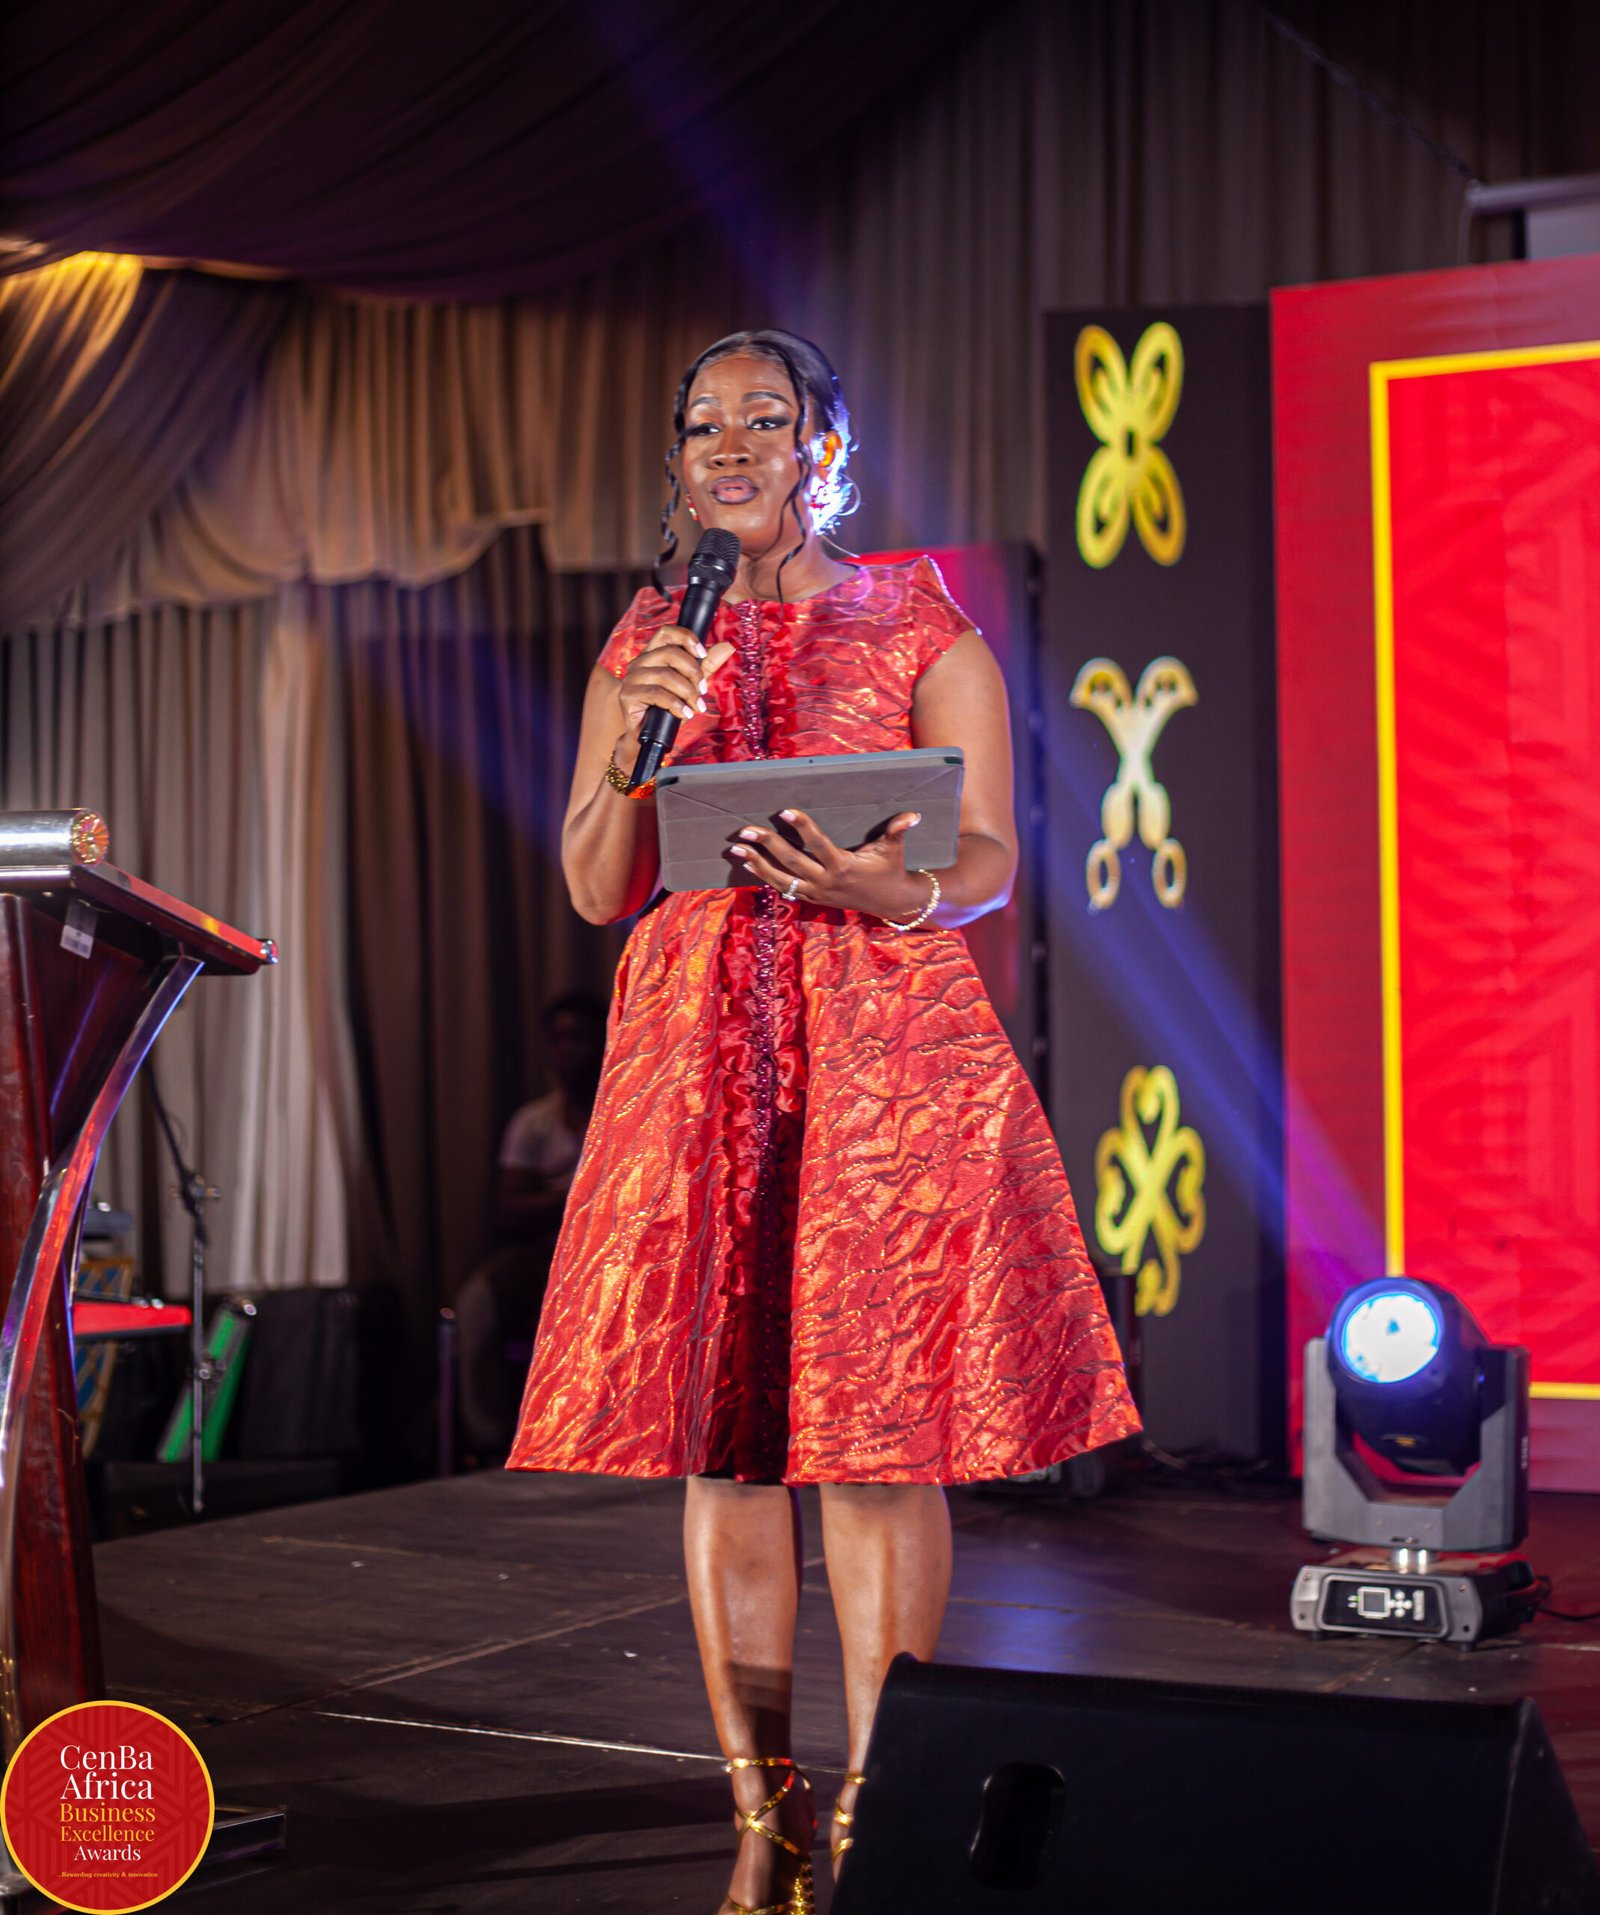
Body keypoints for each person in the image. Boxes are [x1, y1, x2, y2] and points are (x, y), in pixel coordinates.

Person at [508, 329, 1139, 1915]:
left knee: (877, 1431)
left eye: (764, 418)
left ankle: (884, 1793)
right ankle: (763, 1809)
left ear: (825, 447)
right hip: (698, 1049)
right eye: (702, 424)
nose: (730, 444)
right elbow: (594, 881)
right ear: (677, 461)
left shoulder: (921, 616)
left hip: (880, 1047)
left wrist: (888, 884)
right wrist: (638, 739)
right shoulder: (647, 640)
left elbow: (987, 852)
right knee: (722, 1442)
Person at [454, 992, 606, 1460]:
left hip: (611, 1253)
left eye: (578, 1038)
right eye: (558, 1040)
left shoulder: (625, 1114)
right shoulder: (533, 1122)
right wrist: (576, 1196)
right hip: (546, 1253)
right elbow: (510, 1209)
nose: (567, 1049)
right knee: (476, 1303)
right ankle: (489, 1440)